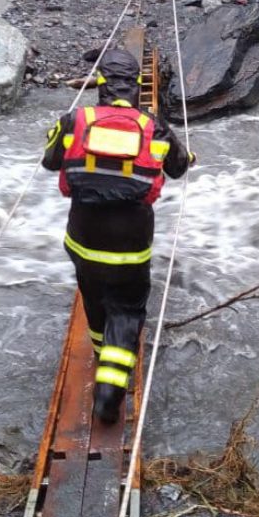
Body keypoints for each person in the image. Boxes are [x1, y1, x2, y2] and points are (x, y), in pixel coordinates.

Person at [42, 47, 194, 424]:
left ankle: (101, 354)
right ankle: (110, 389)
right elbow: (177, 168)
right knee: (126, 307)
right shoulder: (151, 125)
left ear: (100, 86)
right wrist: (188, 156)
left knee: (94, 300)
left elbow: (49, 161)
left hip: (83, 235)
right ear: (138, 86)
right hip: (130, 238)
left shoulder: (76, 119)